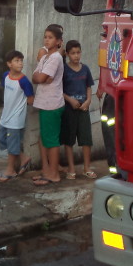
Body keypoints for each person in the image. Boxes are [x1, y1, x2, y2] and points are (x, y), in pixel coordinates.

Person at [31, 24, 65, 186]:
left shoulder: (56, 58)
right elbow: (35, 77)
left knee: (51, 141)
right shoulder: (45, 57)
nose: (47, 40)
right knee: (44, 139)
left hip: (52, 104)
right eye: (45, 37)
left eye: (50, 37)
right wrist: (41, 77)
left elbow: (42, 78)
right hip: (45, 103)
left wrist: (41, 77)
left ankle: (54, 174)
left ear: (59, 41)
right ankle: (46, 171)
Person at [0, 50, 34, 182]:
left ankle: (10, 170)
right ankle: (23, 157)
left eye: (21, 61)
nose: (20, 63)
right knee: (0, 138)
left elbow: (31, 99)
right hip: (5, 115)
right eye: (17, 61)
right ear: (9, 64)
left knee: (12, 144)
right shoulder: (5, 76)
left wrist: (20, 108)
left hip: (16, 119)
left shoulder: (24, 81)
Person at [60, 40, 96, 180]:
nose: (76, 56)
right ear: (67, 54)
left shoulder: (85, 69)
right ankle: (71, 168)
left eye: (78, 52)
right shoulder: (64, 69)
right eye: (73, 53)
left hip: (83, 110)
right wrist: (70, 100)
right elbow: (59, 90)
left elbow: (88, 87)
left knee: (86, 139)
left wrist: (88, 101)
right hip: (69, 110)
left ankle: (87, 168)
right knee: (69, 140)